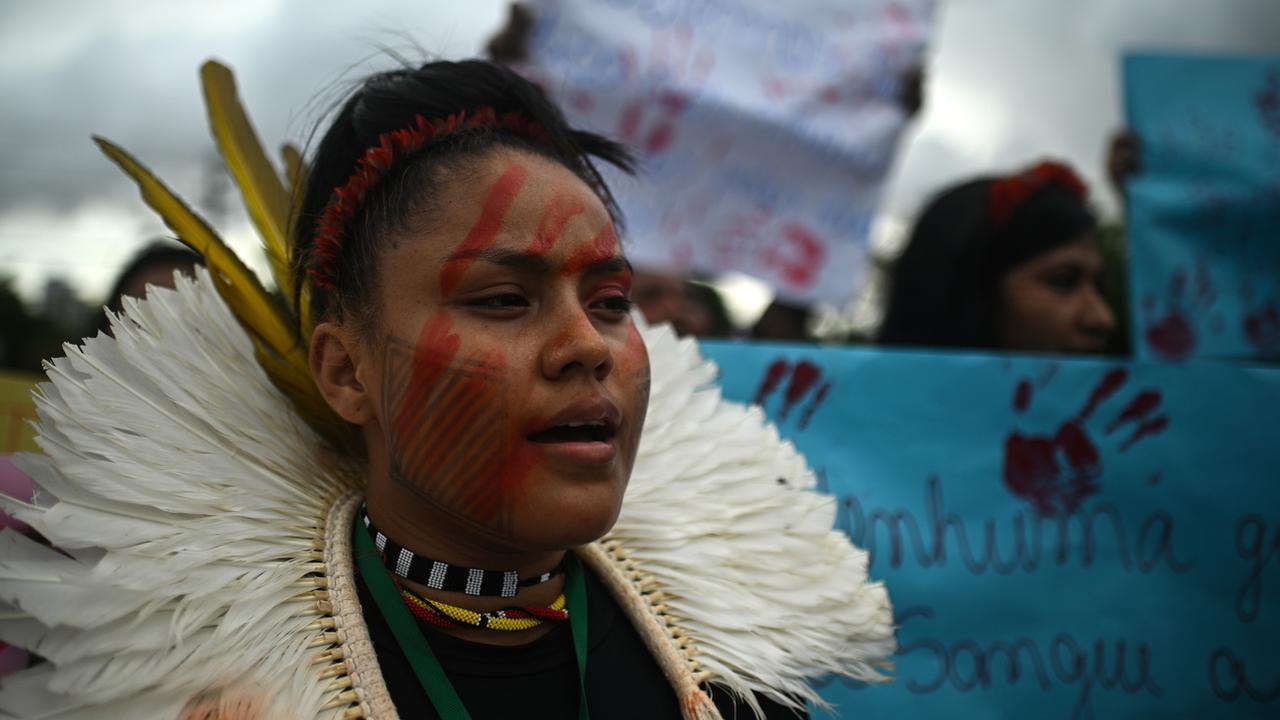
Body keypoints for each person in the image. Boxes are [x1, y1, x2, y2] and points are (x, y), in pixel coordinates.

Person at [0, 59, 893, 719]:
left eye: (611, 301)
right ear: (346, 371)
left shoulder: (725, 679)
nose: (588, 347)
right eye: (504, 299)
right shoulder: (215, 694)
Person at [878, 160, 1117, 354]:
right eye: (1063, 282)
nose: (1102, 318)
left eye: (1100, 287)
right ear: (970, 291)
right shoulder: (853, 408)